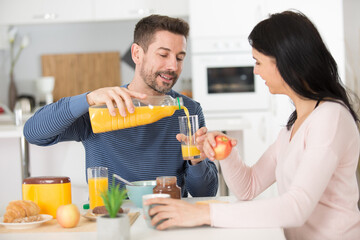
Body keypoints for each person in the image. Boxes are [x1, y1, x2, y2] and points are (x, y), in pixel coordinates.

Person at [145, 10, 360, 239]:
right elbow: (248, 187)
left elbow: (295, 208)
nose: (255, 71)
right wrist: (225, 152)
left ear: (285, 61)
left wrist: (203, 212)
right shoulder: (293, 126)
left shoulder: (330, 117)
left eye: (258, 62)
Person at [23, 14, 218, 197]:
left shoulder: (188, 111)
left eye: (179, 58)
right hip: (112, 218)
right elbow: (34, 133)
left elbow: (205, 194)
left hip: (169, 219)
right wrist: (88, 99)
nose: (173, 66)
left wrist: (197, 160)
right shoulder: (101, 108)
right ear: (137, 54)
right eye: (163, 55)